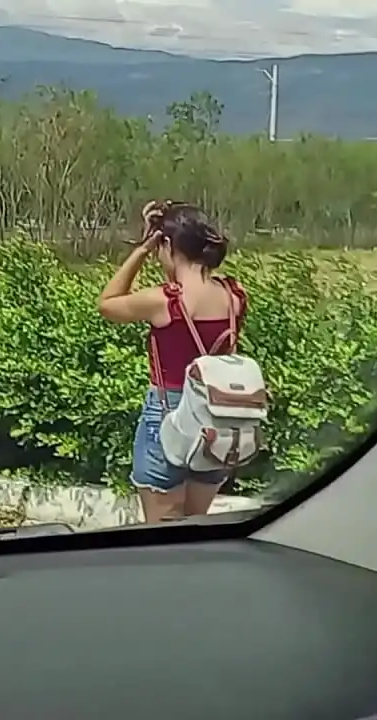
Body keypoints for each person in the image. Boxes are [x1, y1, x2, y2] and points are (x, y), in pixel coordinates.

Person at [97, 200, 248, 523]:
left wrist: (140, 249)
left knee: (162, 530)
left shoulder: (165, 300)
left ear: (166, 244)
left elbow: (107, 303)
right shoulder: (234, 295)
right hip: (217, 417)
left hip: (169, 414)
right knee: (197, 523)